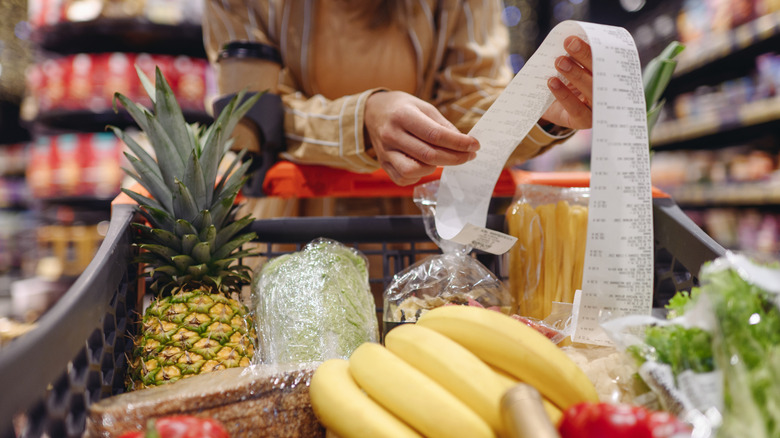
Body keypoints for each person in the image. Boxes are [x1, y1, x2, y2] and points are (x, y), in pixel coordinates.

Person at [202, 0, 593, 189]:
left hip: (423, 232)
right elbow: (251, 117)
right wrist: (362, 119)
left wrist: (539, 111)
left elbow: (469, 103)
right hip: (291, 225)